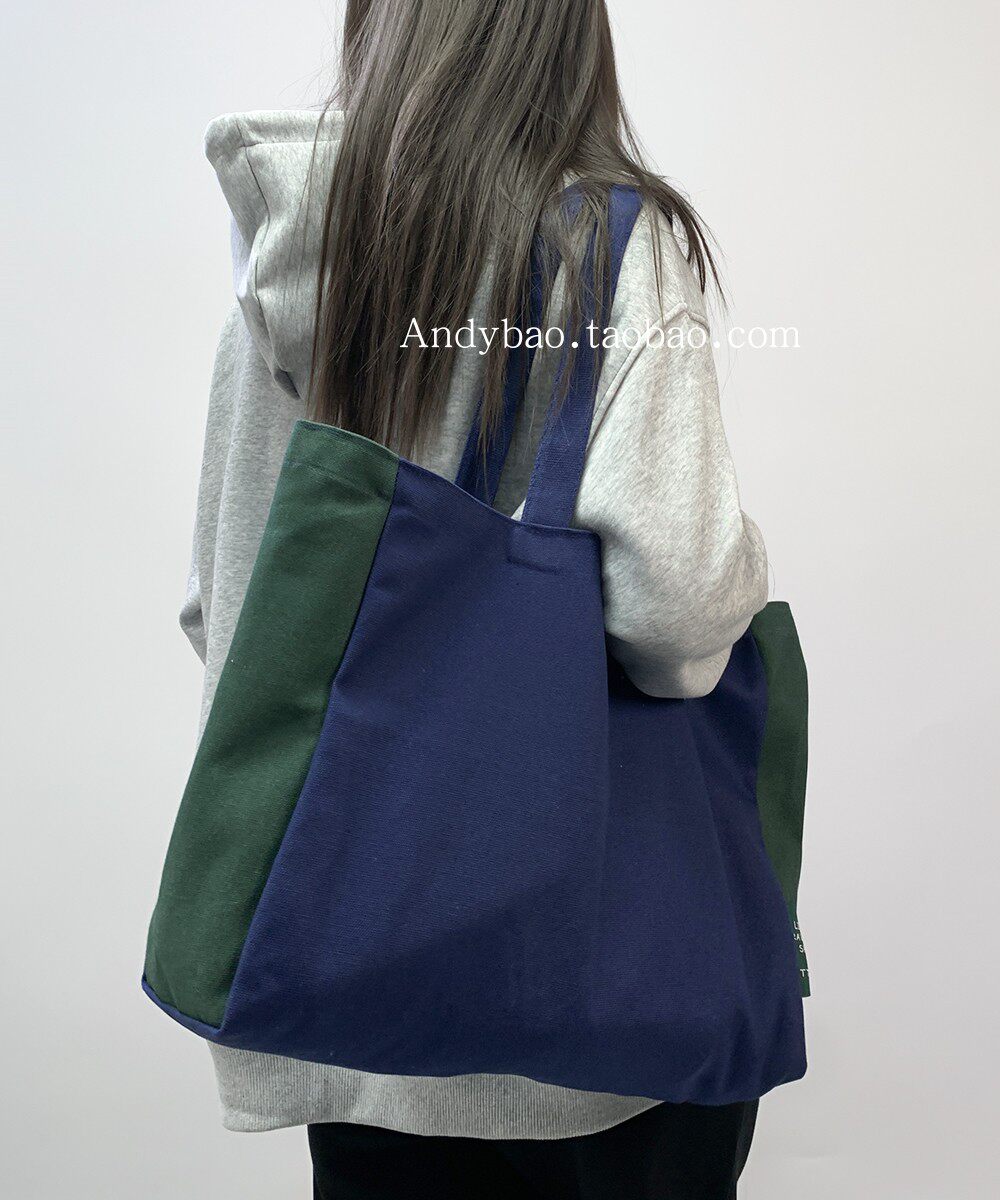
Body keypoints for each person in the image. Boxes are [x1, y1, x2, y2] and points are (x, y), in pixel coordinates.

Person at [183, 1, 769, 1195]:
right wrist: (743, 564)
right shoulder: (609, 245)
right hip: (587, 1037)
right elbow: (678, 610)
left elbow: (224, 606)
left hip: (356, 1006)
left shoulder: (291, 247)